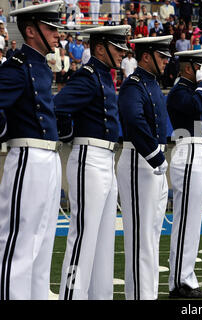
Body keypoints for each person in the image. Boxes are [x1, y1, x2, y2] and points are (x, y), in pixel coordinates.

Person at [55, 25, 130, 300]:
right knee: (84, 237)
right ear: (100, 48)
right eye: (118, 48)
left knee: (103, 240)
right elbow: (58, 106)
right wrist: (68, 133)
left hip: (105, 158)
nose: (123, 54)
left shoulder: (104, 77)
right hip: (89, 157)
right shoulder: (87, 77)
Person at [0, 1, 64, 300]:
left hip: (47, 158)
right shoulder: (17, 66)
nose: (57, 35)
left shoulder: (40, 66)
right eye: (51, 28)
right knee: (19, 240)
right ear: (30, 30)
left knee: (43, 241)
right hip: (27, 156)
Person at [116, 35, 172, 300]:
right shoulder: (133, 85)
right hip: (140, 161)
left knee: (151, 237)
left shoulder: (150, 84)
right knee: (141, 239)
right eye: (162, 57)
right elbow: (134, 121)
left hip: (152, 161)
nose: (166, 62)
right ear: (147, 56)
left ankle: (147, 294)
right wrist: (155, 156)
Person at [166, 49, 202, 298]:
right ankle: (179, 282)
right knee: (186, 222)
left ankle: (188, 279)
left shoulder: (192, 90)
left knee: (193, 222)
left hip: (199, 151)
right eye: (200, 66)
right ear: (188, 68)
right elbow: (198, 105)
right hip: (188, 153)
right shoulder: (180, 93)